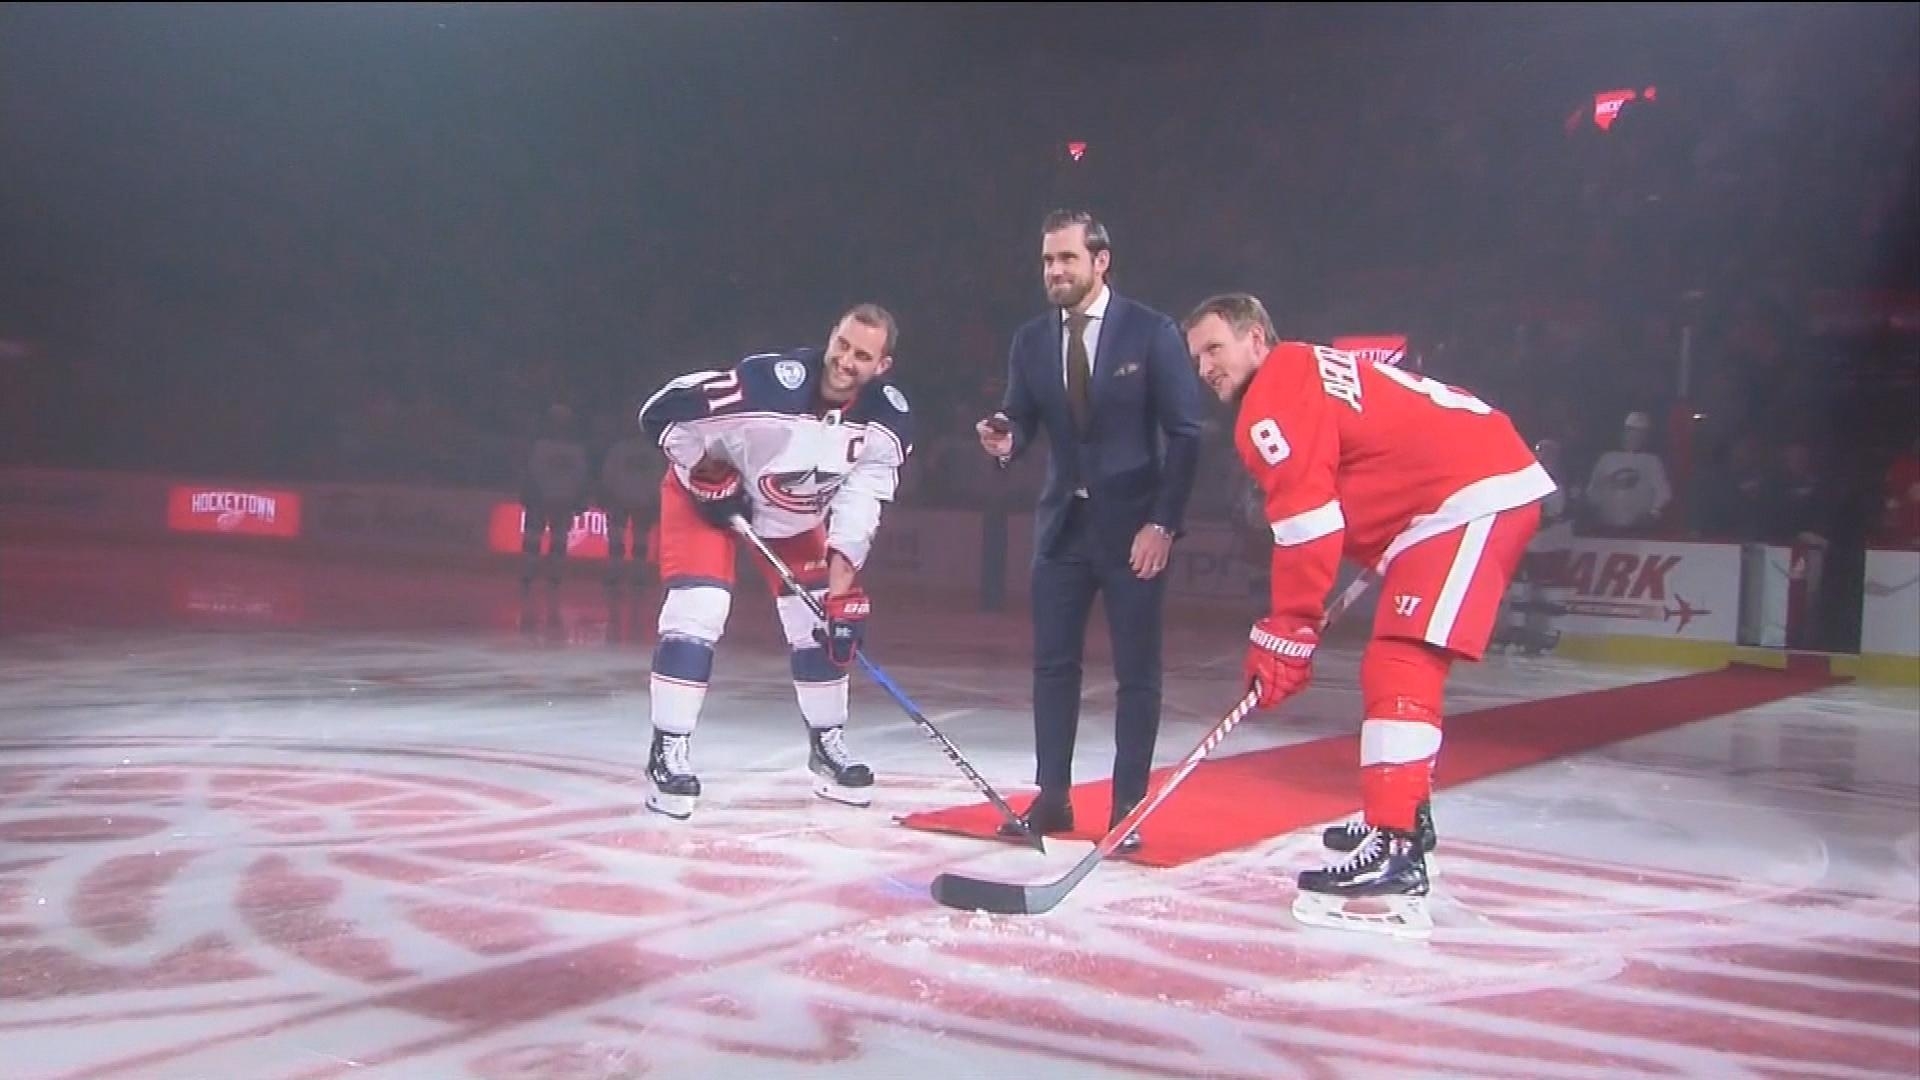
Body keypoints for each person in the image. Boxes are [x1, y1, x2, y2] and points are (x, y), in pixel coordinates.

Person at [1182, 293, 1555, 938]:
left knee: (1402, 660)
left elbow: (1308, 521)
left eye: (1215, 348)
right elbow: (1384, 392)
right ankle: (1402, 808)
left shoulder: (1273, 394)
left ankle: (1397, 847)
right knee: (1395, 660)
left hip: (1470, 494)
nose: (1205, 367)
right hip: (1451, 497)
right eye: (1195, 358)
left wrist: (1290, 628)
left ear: (1257, 340)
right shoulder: (1305, 367)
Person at [975, 209, 1204, 855]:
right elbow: (1018, 420)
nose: (1054, 271)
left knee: (1137, 672)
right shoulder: (1030, 340)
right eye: (1047, 261)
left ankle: (1128, 805)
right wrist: (1003, 438)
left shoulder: (1151, 331)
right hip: (1061, 528)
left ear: (1100, 262)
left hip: (1135, 529)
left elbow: (1185, 436)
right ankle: (1053, 796)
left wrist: (1163, 523)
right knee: (1052, 666)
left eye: (1066, 260)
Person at [634, 303, 913, 819]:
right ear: (831, 337)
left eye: (862, 356)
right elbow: (659, 412)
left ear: (882, 366)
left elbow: (859, 505)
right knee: (700, 609)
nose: (846, 361)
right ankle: (667, 752)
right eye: (843, 345)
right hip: (712, 504)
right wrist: (703, 470)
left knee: (821, 619)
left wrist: (843, 590)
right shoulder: (767, 384)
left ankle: (827, 745)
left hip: (794, 517)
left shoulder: (888, 421)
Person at [518, 404, 591, 587]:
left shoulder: (576, 450)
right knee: (533, 538)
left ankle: (554, 575)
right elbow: (530, 472)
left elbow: (581, 477)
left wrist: (579, 497)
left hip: (564, 500)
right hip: (542, 499)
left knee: (559, 540)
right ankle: (529, 573)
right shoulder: (540, 446)